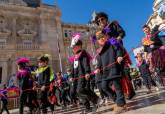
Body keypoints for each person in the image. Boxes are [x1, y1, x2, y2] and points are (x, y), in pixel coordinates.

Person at [94, 31, 126, 114]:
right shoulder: (99, 50)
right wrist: (97, 68)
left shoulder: (112, 43)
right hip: (106, 72)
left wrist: (119, 56)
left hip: (114, 68)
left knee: (117, 87)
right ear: (97, 41)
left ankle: (121, 105)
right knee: (104, 86)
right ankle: (117, 100)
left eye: (102, 36)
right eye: (99, 38)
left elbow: (118, 49)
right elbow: (99, 62)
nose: (101, 39)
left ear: (106, 36)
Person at [70, 33, 99, 113]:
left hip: (82, 75)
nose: (73, 48)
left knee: (81, 90)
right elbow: (73, 68)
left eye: (74, 46)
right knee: (77, 92)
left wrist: (87, 72)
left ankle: (95, 99)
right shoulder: (75, 57)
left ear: (79, 46)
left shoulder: (83, 53)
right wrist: (71, 76)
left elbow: (86, 63)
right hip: (76, 78)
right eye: (72, 47)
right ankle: (87, 108)